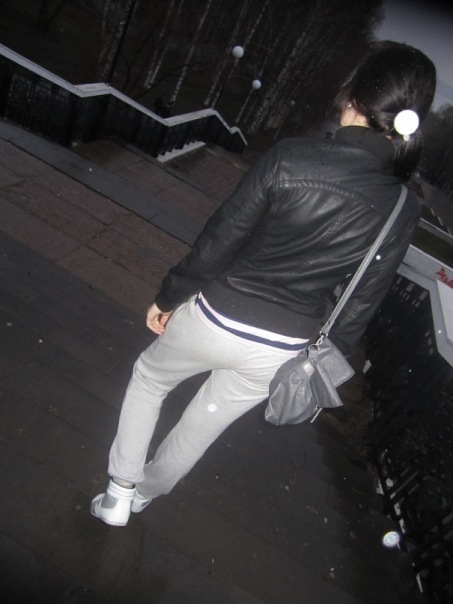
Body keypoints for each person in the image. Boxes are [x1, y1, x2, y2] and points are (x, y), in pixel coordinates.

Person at [91, 41, 436, 527]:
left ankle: (119, 492)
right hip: (282, 349)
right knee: (201, 425)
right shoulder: (402, 208)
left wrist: (169, 296)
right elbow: (361, 306)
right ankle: (145, 495)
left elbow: (220, 241)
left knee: (150, 379)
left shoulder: (291, 157)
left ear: (354, 95)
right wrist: (318, 365)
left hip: (217, 316)